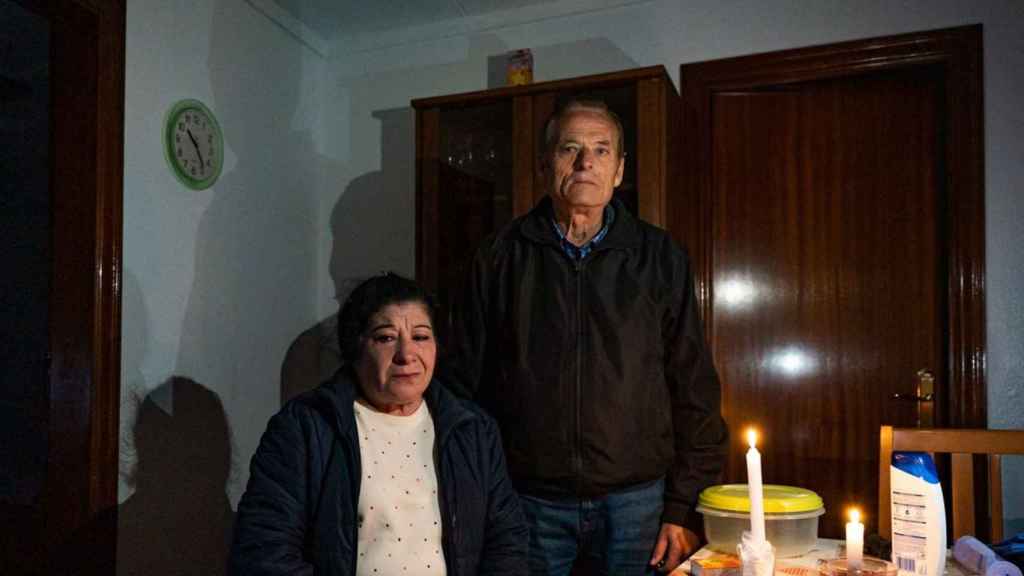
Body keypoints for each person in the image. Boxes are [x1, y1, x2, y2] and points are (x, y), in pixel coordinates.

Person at [446, 99, 729, 575]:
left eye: (601, 150)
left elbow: (693, 385)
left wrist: (681, 507)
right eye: (570, 148)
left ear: (619, 171)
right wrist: (481, 494)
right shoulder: (498, 257)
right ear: (545, 165)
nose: (585, 162)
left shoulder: (660, 258)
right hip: (526, 501)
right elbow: (462, 385)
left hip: (637, 505)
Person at [231, 273, 528, 575]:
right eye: (386, 338)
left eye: (421, 337)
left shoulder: (473, 431)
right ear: (356, 348)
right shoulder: (306, 428)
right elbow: (265, 550)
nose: (406, 354)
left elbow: (506, 545)